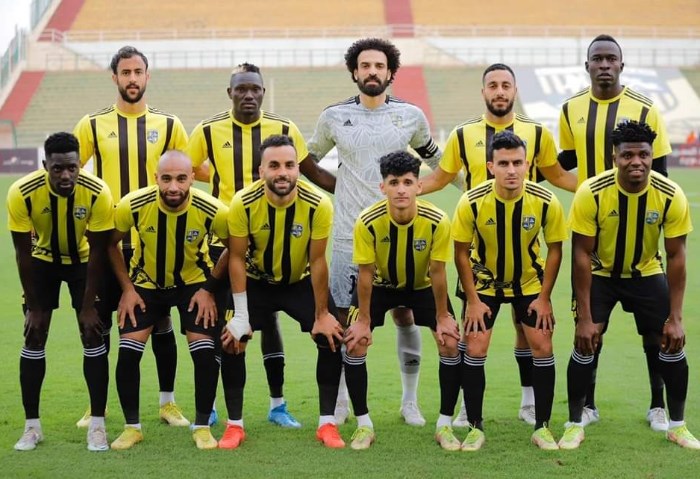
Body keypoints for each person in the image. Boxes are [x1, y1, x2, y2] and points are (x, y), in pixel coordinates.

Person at [301, 37, 461, 426]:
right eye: (365, 66)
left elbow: (440, 162)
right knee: (345, 318)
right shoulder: (334, 116)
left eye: (379, 66)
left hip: (400, 236)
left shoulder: (410, 116)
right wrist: (340, 188)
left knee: (406, 315)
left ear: (390, 73)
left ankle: (409, 402)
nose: (372, 72)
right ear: (354, 72)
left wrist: (463, 188)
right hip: (347, 237)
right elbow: (307, 161)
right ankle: (341, 401)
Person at [420, 63, 577, 427]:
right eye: (493, 85)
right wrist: (407, 190)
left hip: (524, 247)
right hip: (480, 251)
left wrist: (594, 188)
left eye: (506, 85)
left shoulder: (537, 133)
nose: (500, 91)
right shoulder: (463, 134)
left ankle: (528, 402)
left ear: (515, 91)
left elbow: (556, 175)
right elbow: (441, 177)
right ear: (483, 92)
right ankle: (467, 407)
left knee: (527, 330)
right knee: (473, 333)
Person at [559, 121, 699, 450]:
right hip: (600, 273)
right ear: (615, 158)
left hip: (646, 271)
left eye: (643, 155)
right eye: (627, 155)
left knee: (670, 340)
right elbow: (580, 254)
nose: (636, 161)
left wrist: (676, 317)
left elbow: (676, 256)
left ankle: (675, 424)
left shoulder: (670, 194)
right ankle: (576, 422)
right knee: (585, 340)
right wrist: (583, 318)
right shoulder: (591, 192)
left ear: (652, 156)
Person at [558, 34, 672, 431]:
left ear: (622, 65)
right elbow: (565, 161)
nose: (604, 65)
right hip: (592, 233)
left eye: (611, 59)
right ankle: (587, 405)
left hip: (639, 237)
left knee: (655, 331)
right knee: (590, 327)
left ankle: (658, 405)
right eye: (598, 59)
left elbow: (661, 171)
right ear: (587, 65)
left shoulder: (645, 108)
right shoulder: (571, 108)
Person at [186, 62, 310, 428]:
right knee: (217, 323)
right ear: (230, 93)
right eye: (241, 89)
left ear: (263, 92)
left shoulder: (284, 128)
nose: (248, 95)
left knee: (269, 321)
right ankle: (210, 406)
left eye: (255, 89)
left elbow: (306, 170)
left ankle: (278, 405)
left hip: (271, 238)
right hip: (222, 240)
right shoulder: (207, 130)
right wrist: (216, 179)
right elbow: (187, 170)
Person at [73, 45, 190, 428]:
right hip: (107, 244)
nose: (133, 78)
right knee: (100, 325)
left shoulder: (169, 124)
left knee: (162, 324)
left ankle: (168, 403)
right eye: (126, 72)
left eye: (138, 72)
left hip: (155, 244)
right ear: (115, 78)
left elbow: (184, 174)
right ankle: (97, 404)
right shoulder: (91, 124)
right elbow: (73, 174)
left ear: (147, 76)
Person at [220, 134, 345, 450]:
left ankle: (327, 424)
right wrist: (241, 315)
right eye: (274, 165)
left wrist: (322, 314)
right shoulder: (243, 203)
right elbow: (236, 258)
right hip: (256, 282)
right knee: (233, 340)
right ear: (261, 170)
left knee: (331, 337)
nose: (283, 172)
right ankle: (234, 426)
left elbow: (318, 261)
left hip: (299, 281)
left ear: (298, 169)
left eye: (290, 165)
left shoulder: (318, 204)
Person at [452, 131, 567, 451]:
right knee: (475, 347)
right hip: (484, 284)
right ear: (491, 167)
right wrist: (472, 300)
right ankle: (474, 427)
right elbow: (460, 252)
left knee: (542, 344)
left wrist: (544, 298)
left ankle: (542, 427)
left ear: (528, 165)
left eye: (517, 162)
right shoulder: (471, 201)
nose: (512, 170)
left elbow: (556, 250)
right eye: (503, 163)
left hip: (529, 283)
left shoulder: (545, 201)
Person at [107, 150, 228, 450]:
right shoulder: (133, 204)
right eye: (167, 179)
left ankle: (202, 427)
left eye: (181, 179)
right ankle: (132, 428)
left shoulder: (213, 209)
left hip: (193, 285)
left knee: (204, 353)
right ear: (156, 178)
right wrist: (127, 289)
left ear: (192, 179)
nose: (174, 187)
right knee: (128, 354)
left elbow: (235, 248)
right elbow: (110, 245)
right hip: (145, 285)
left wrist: (210, 288)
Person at [343, 151, 461, 451]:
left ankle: (444, 424)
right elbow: (365, 274)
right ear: (383, 187)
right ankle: (364, 424)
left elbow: (438, 271)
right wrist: (364, 321)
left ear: (419, 186)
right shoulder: (367, 221)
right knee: (355, 342)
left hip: (422, 286)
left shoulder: (437, 221)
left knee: (449, 341)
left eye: (407, 182)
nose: (401, 190)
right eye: (394, 183)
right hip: (380, 286)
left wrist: (443, 316)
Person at [7, 132, 114, 451]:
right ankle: (32, 427)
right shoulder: (22, 192)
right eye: (57, 169)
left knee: (92, 334)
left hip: (84, 263)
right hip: (42, 261)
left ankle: (97, 426)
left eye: (72, 167)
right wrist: (34, 306)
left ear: (80, 164)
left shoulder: (98, 192)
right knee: (34, 334)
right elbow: (23, 253)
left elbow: (99, 253)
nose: (65, 175)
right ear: (45, 166)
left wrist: (88, 306)